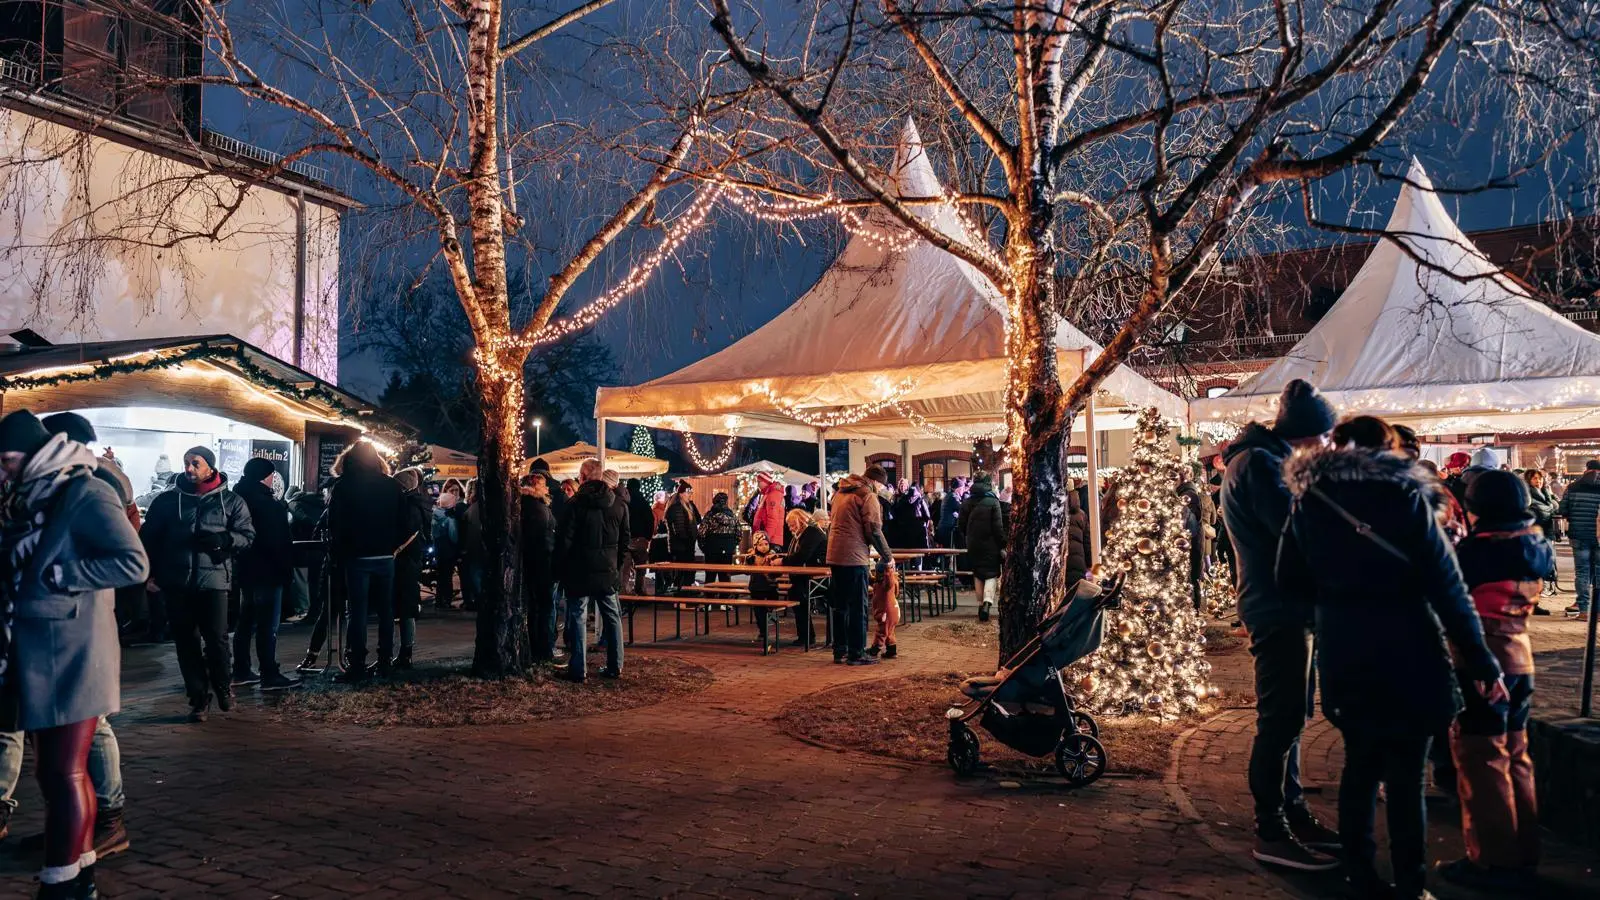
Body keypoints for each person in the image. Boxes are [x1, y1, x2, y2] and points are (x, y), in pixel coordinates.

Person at [1278, 415, 1502, 899]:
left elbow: (1288, 582)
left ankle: (1360, 875)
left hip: (1345, 648)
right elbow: (1448, 588)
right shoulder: (1407, 499)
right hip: (1410, 647)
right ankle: (1411, 883)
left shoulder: (1308, 503)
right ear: (1391, 448)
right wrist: (1482, 662)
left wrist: (1330, 612)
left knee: (1359, 766)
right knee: (1405, 776)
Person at [0, 410, 149, 898]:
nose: (3, 470)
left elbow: (132, 562)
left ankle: (63, 880)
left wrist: (61, 579)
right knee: (57, 771)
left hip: (72, 650)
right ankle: (77, 869)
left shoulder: (85, 491)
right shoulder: (32, 496)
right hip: (44, 649)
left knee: (62, 772)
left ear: (34, 454)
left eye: (7, 460)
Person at [1219, 378, 1341, 871]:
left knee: (1291, 717)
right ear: (1308, 434)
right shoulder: (1260, 466)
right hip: (1277, 606)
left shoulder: (1263, 462)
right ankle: (1271, 826)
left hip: (1283, 604)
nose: (1330, 446)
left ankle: (1290, 810)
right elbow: (1295, 530)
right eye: (1325, 437)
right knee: (1282, 719)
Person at [1435, 469, 1551, 891]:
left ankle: (1493, 860)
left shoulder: (1477, 553)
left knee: (1482, 758)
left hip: (1483, 661)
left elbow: (1452, 602)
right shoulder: (1534, 543)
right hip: (1522, 659)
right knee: (1517, 754)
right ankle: (1524, 851)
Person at [140, 445, 254, 722]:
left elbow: (247, 536)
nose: (189, 468)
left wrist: (225, 540)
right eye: (186, 463)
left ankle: (223, 687)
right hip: (177, 582)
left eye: (195, 463)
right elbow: (148, 539)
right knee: (185, 642)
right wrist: (149, 573)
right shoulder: (167, 502)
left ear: (210, 468)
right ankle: (198, 698)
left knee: (216, 639)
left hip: (214, 580)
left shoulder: (232, 501)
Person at [326, 442, 406, 683]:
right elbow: (403, 520)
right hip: (384, 555)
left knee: (357, 612)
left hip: (356, 556)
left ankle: (357, 663)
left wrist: (341, 550)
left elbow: (335, 523)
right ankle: (384, 661)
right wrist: (392, 546)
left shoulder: (343, 486)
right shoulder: (391, 485)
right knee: (386, 611)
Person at [231, 458, 299, 691]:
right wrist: (285, 570)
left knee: (245, 622)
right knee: (267, 625)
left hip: (246, 570)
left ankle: (240, 669)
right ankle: (269, 673)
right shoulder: (268, 505)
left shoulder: (237, 498)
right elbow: (276, 542)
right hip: (269, 571)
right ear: (265, 476)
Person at [555, 467, 628, 682]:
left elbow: (564, 542)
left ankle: (579, 668)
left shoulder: (575, 504)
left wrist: (561, 568)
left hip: (580, 570)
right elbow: (625, 541)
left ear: (583, 477)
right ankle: (616, 666)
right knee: (612, 617)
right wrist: (616, 565)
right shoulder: (618, 504)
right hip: (607, 570)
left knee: (578, 616)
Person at [826, 465, 894, 665]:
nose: (881, 489)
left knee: (841, 606)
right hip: (854, 557)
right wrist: (887, 555)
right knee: (858, 606)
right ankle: (856, 653)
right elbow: (873, 529)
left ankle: (840, 650)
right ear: (875, 481)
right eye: (881, 484)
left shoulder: (841, 492)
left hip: (835, 555)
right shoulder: (867, 495)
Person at [392, 468, 433, 668]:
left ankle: (405, 653)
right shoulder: (421, 503)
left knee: (403, 608)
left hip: (404, 561)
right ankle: (404, 652)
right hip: (412, 560)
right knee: (406, 607)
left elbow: (405, 532)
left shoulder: (410, 507)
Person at [956, 473, 1006, 623]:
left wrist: (970, 535)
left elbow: (961, 525)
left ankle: (979, 604)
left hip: (973, 543)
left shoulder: (966, 501)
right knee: (991, 573)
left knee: (978, 573)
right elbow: (998, 527)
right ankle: (987, 602)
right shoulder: (993, 501)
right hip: (991, 544)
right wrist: (1002, 542)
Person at [519, 472, 558, 663]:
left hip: (533, 564)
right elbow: (544, 540)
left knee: (536, 607)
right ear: (535, 486)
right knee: (544, 607)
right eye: (543, 485)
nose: (547, 488)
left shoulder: (526, 506)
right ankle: (543, 648)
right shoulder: (538, 509)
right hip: (542, 565)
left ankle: (538, 647)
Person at [1557, 459, 1600, 621]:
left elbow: (1563, 510)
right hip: (1599, 536)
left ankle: (1583, 610)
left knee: (1582, 572)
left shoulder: (1573, 486)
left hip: (1579, 534)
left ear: (1586, 470)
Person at [784, 508, 826, 647]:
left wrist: (782, 561)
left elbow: (802, 556)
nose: (791, 528)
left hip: (820, 578)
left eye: (792, 524)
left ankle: (807, 636)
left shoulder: (811, 533)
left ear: (800, 521)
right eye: (789, 525)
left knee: (797, 594)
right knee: (795, 592)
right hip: (809, 575)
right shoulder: (804, 533)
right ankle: (805, 635)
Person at [1179, 463, 1217, 612]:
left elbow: (1189, 524)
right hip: (1197, 540)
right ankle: (1194, 607)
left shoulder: (1188, 494)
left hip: (1192, 541)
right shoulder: (1191, 492)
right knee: (1198, 570)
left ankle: (1194, 608)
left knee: (1194, 572)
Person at [744, 531, 782, 653]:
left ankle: (772, 628)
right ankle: (762, 631)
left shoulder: (773, 555)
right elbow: (746, 571)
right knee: (759, 610)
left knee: (771, 609)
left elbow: (778, 573)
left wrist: (773, 566)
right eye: (760, 544)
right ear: (755, 546)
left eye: (766, 543)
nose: (764, 546)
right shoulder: (751, 556)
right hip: (756, 587)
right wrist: (749, 563)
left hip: (771, 587)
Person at [697, 492, 742, 584]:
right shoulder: (732, 516)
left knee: (710, 576)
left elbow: (701, 533)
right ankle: (725, 596)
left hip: (711, 549)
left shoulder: (709, 516)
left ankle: (709, 596)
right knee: (725, 576)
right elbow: (739, 534)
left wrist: (704, 547)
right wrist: (732, 545)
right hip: (727, 551)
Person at [664, 480, 701, 591]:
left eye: (691, 493)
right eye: (688, 493)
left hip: (687, 546)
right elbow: (679, 530)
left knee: (688, 572)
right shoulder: (676, 508)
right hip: (681, 547)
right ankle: (681, 595)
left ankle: (685, 593)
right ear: (681, 494)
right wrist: (689, 541)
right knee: (682, 573)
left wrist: (692, 505)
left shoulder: (688, 506)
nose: (690, 495)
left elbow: (698, 519)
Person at [431, 489, 461, 609]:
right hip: (448, 550)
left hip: (438, 549)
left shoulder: (435, 516)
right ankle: (446, 601)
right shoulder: (450, 519)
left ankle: (439, 600)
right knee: (447, 576)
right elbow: (454, 537)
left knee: (440, 575)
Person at [624, 478, 654, 594]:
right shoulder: (643, 502)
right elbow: (649, 520)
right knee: (640, 568)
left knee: (625, 568)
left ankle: (623, 591)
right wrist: (648, 536)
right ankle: (640, 590)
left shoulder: (625, 502)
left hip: (626, 539)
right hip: (640, 539)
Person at [888, 484, 931, 554]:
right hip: (919, 532)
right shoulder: (920, 499)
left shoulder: (902, 500)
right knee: (919, 557)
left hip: (904, 533)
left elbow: (894, 514)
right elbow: (927, 516)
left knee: (906, 557)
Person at [751, 473, 786, 549]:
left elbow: (773, 519)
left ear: (765, 481)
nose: (757, 484)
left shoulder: (773, 494)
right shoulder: (768, 494)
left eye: (759, 482)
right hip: (768, 540)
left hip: (771, 541)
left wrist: (765, 539)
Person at [936, 476, 966, 548]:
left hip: (944, 528)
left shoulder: (949, 495)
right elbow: (962, 509)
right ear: (958, 489)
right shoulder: (953, 497)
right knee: (948, 552)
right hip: (947, 529)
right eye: (962, 488)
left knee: (945, 553)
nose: (964, 490)